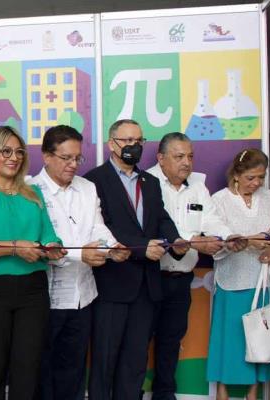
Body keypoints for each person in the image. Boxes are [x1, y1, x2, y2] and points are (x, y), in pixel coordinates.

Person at [83, 119, 187, 400]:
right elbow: (101, 228)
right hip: (112, 285)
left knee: (135, 360)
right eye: (127, 140)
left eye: (139, 140)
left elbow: (161, 219)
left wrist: (176, 242)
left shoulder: (150, 182)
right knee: (104, 360)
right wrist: (142, 248)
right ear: (111, 144)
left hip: (147, 287)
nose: (134, 146)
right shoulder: (93, 181)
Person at [0, 125, 64, 400]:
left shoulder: (34, 194)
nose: (14, 157)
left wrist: (53, 248)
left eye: (19, 152)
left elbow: (48, 236)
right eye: (6, 151)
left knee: (27, 371)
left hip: (33, 291)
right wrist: (15, 249)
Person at [30, 125, 130, 400]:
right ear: (46, 156)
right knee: (41, 370)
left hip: (83, 296)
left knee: (73, 370)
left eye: (78, 158)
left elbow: (98, 228)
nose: (73, 165)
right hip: (43, 299)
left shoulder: (87, 188)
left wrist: (112, 248)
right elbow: (37, 245)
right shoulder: (29, 190)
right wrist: (79, 255)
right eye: (66, 158)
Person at [146, 132, 241, 400]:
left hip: (180, 279)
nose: (186, 162)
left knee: (171, 340)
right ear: (161, 158)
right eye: (179, 156)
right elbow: (151, 229)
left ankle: (165, 394)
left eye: (190, 156)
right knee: (138, 340)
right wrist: (193, 241)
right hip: (148, 277)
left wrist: (226, 237)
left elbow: (211, 220)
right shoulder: (146, 184)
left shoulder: (198, 187)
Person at [207, 148, 270, 400]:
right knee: (232, 340)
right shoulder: (219, 200)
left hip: (265, 280)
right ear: (236, 174)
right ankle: (223, 392)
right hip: (232, 280)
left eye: (261, 177)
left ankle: (254, 392)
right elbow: (217, 245)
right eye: (251, 177)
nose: (257, 183)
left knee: (262, 337)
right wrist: (249, 242)